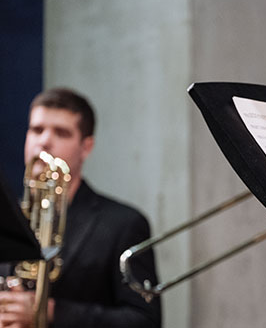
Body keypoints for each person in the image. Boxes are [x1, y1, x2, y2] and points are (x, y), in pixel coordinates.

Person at [0, 88, 161, 328]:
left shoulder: (124, 223)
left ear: (86, 147)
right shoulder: (6, 216)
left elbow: (144, 321)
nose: (44, 141)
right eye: (36, 130)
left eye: (61, 133)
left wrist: (52, 312)